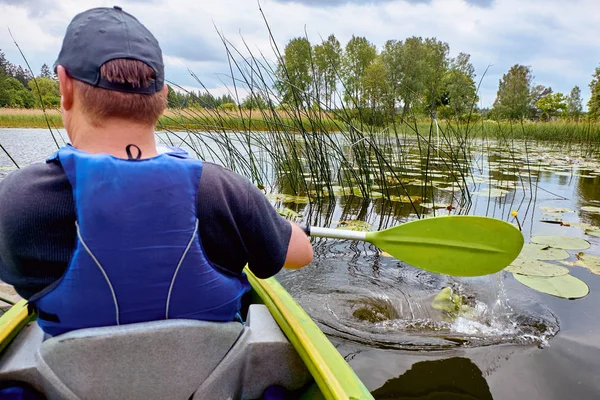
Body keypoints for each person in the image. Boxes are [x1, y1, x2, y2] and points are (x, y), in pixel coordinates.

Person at [0, 6, 313, 336]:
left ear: (64, 85)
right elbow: (300, 254)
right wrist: (279, 224)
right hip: (210, 381)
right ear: (163, 97)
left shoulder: (20, 200)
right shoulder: (223, 190)